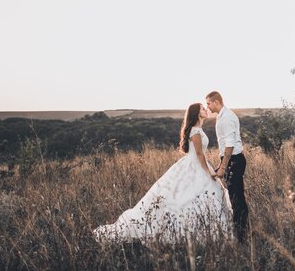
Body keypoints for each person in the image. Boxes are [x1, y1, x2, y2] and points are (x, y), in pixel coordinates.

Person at [93, 103, 232, 244]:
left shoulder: (197, 129)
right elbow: (199, 154)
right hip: (195, 165)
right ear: (196, 113)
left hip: (196, 164)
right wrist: (209, 172)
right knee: (191, 197)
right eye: (203, 108)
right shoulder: (195, 131)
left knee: (202, 195)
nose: (206, 110)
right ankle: (195, 231)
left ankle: (206, 229)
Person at [206, 91, 249, 242]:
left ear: (216, 102)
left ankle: (241, 236)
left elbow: (229, 146)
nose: (208, 107)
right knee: (235, 196)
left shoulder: (227, 117)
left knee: (237, 198)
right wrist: (221, 164)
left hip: (235, 160)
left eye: (209, 103)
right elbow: (224, 145)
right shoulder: (221, 116)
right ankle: (241, 231)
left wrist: (223, 167)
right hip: (231, 160)